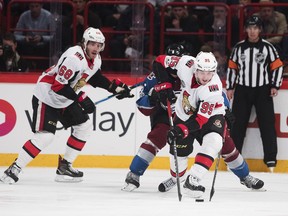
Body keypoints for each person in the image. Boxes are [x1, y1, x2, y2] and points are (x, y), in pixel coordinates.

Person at [122, 45, 264, 195]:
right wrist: (152, 98)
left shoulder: (207, 81)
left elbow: (217, 99)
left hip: (200, 118)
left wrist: (226, 111)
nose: (174, 74)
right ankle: (138, 173)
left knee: (225, 144)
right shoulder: (159, 75)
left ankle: (245, 176)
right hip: (172, 117)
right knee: (156, 138)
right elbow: (142, 106)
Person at [0, 27, 134, 184]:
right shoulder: (73, 57)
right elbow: (57, 86)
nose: (96, 48)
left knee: (84, 126)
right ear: (85, 43)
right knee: (46, 136)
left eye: (99, 45)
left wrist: (115, 88)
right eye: (92, 44)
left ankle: (65, 167)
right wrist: (81, 98)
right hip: (47, 96)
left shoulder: (96, 60)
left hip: (65, 98)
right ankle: (14, 169)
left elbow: (95, 77)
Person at [226, 15, 283, 172]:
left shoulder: (268, 48)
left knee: (267, 125)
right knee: (237, 125)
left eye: (255, 28)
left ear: (260, 30)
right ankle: (233, 159)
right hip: (243, 89)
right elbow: (232, 68)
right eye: (250, 28)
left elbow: (277, 66)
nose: (252, 31)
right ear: (246, 29)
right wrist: (230, 87)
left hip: (263, 90)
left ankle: (270, 159)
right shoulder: (238, 48)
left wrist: (275, 85)